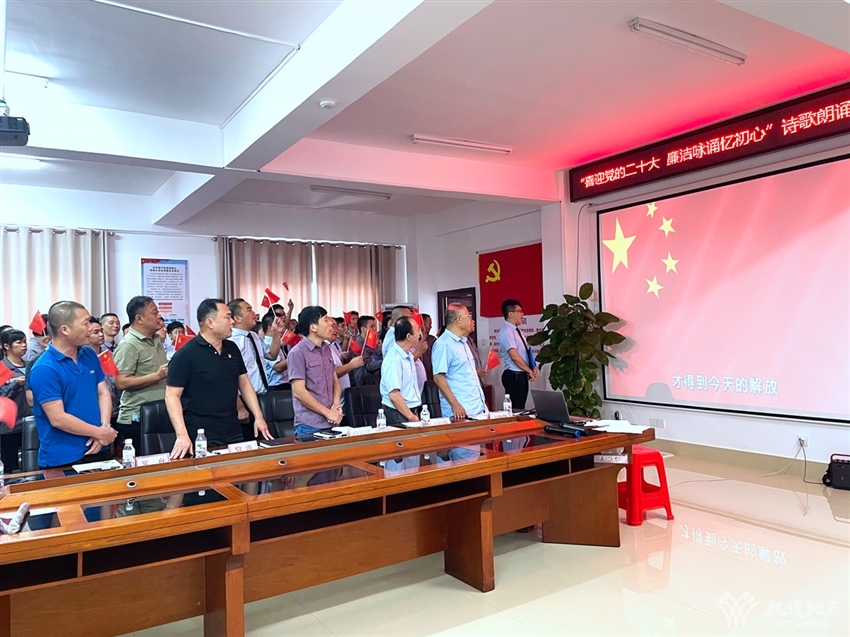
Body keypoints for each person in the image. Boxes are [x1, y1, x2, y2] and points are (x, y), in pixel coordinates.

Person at [166, 299, 271, 459]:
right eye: (227, 317)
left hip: (232, 428)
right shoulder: (186, 355)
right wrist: (181, 435)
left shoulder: (232, 348)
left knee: (239, 469)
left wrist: (258, 416)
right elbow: (172, 396)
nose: (232, 322)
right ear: (210, 323)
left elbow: (244, 383)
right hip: (201, 433)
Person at [27, 301, 117, 469]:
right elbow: (58, 418)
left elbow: (103, 392)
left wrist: (104, 427)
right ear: (65, 330)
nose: (90, 328)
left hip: (98, 447)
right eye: (85, 323)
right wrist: (100, 433)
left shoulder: (88, 353)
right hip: (63, 456)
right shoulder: (44, 368)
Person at [113, 296, 168, 445]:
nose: (159, 316)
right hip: (137, 417)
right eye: (154, 313)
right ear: (139, 319)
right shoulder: (129, 344)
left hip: (159, 412)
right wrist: (157, 376)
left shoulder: (155, 339)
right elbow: (121, 382)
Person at [287, 306, 342, 436]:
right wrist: (328, 413)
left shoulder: (327, 349)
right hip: (309, 425)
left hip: (332, 421)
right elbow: (299, 392)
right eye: (326, 320)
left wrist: (336, 406)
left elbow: (334, 381)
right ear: (313, 328)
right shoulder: (297, 352)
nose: (331, 323)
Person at [227, 299, 284, 422]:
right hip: (243, 399)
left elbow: (271, 355)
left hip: (263, 395)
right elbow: (229, 378)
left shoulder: (254, 336)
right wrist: (240, 407)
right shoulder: (230, 341)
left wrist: (277, 333)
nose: (254, 313)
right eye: (249, 310)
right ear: (237, 318)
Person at [432, 303, 487, 419]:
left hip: (476, 407)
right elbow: (438, 377)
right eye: (469, 316)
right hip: (460, 410)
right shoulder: (444, 344)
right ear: (460, 319)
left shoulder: (463, 342)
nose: (471, 320)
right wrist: (455, 404)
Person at [380, 317, 423, 424]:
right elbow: (394, 395)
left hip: (409, 411)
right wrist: (411, 417)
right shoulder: (394, 359)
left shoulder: (407, 355)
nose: (420, 334)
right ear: (409, 336)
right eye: (417, 330)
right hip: (398, 414)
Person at [1, 330, 33, 471]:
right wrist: (16, 384)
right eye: (19, 342)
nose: (24, 345)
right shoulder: (2, 368)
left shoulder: (30, 365)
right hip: (10, 426)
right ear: (6, 346)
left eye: (25, 342)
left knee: (32, 463)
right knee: (11, 466)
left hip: (32, 421)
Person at [498, 299, 538, 410]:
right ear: (510, 314)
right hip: (514, 376)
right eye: (519, 311)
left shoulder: (517, 331)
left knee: (520, 408)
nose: (522, 314)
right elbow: (514, 356)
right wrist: (529, 371)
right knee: (516, 409)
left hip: (521, 375)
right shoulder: (507, 331)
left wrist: (533, 367)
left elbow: (525, 352)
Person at [88, 317, 120, 425]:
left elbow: (114, 379)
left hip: (114, 409)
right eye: (96, 332)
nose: (101, 334)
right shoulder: (83, 358)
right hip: (95, 411)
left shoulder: (108, 355)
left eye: (101, 331)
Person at [329, 318, 363, 402]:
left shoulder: (331, 344)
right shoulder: (322, 348)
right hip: (334, 398)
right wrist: (351, 365)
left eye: (337, 327)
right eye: (333, 326)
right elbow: (332, 373)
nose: (336, 330)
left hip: (342, 393)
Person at [261, 312, 289, 391]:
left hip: (283, 384)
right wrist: (295, 355)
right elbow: (277, 367)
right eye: (279, 325)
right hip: (276, 386)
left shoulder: (276, 342)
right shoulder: (267, 344)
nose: (282, 327)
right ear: (270, 328)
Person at [352, 315, 382, 386]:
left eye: (375, 326)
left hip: (376, 380)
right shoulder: (358, 344)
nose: (375, 329)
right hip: (365, 382)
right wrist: (386, 361)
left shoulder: (373, 341)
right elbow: (368, 366)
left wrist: (381, 348)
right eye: (371, 326)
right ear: (363, 329)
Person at [420, 313, 437, 379]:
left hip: (432, 374)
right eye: (429, 324)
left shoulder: (432, 339)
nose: (431, 327)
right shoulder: (414, 340)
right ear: (422, 323)